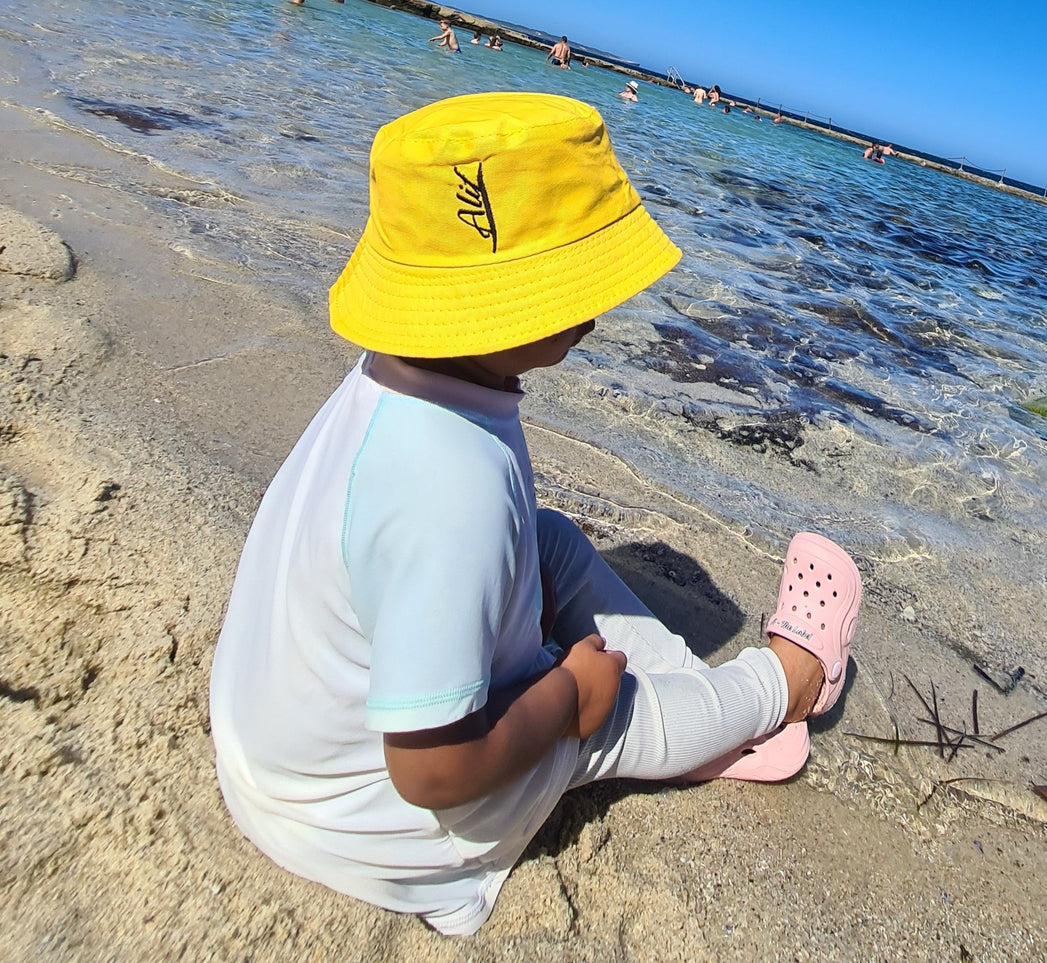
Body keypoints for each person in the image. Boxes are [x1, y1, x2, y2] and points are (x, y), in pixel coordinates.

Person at [208, 92, 862, 937]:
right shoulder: (449, 486)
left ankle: (707, 711)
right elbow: (434, 771)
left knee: (544, 537)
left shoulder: (398, 383)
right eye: (575, 283)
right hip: (372, 823)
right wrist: (565, 698)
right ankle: (790, 681)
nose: (598, 308)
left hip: (279, 758)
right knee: (616, 710)